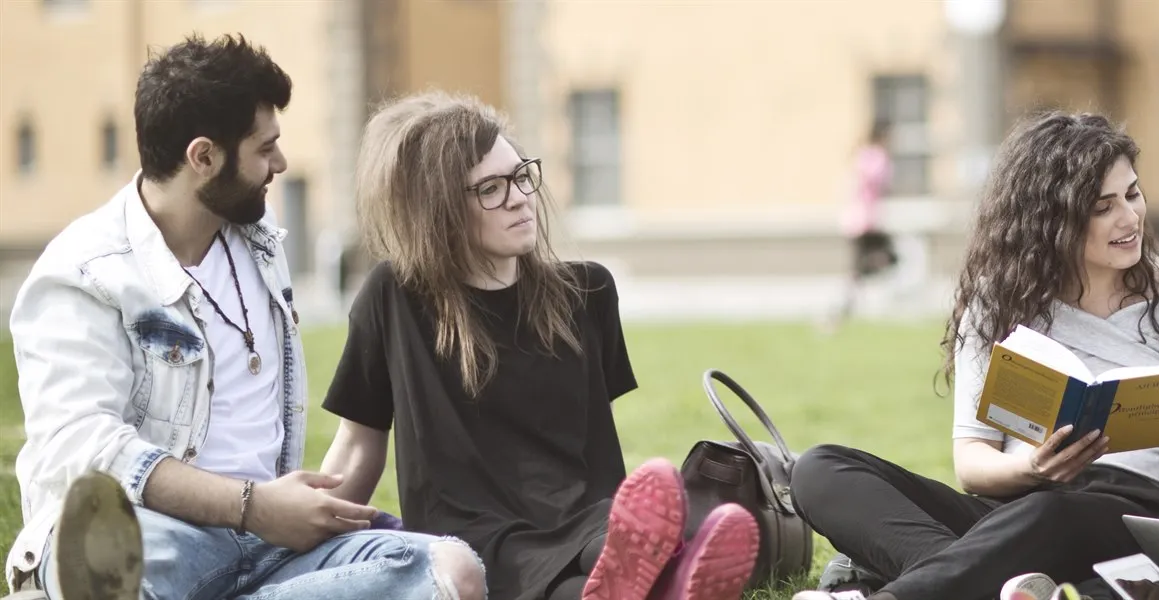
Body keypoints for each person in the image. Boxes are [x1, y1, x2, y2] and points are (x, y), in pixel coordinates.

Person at [5, 34, 484, 599]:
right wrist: (253, 507)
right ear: (203, 157)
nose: (280, 162)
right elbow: (81, 446)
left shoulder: (256, 238)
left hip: (269, 547)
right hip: (150, 538)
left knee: (453, 573)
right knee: (105, 563)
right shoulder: (84, 272)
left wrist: (280, 513)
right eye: (264, 148)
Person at [318, 91, 761, 600]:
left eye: (521, 174)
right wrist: (306, 551)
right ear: (437, 210)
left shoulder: (588, 293)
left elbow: (591, 449)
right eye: (489, 188)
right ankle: (676, 577)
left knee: (608, 550)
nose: (518, 196)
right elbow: (356, 446)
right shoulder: (394, 298)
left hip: (593, 527)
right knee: (566, 566)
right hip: (475, 538)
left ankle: (669, 566)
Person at [788, 112, 1159, 600]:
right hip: (1013, 505)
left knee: (1049, 513)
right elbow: (972, 464)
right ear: (1053, 219)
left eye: (1132, 194)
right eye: (1102, 207)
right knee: (818, 469)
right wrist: (1033, 471)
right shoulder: (998, 301)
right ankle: (994, 582)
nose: (1129, 218)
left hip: (1128, 514)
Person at [826, 120, 898, 333]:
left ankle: (840, 309)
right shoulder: (878, 157)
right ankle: (838, 310)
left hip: (857, 220)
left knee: (863, 269)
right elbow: (880, 185)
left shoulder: (863, 155)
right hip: (867, 222)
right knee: (885, 260)